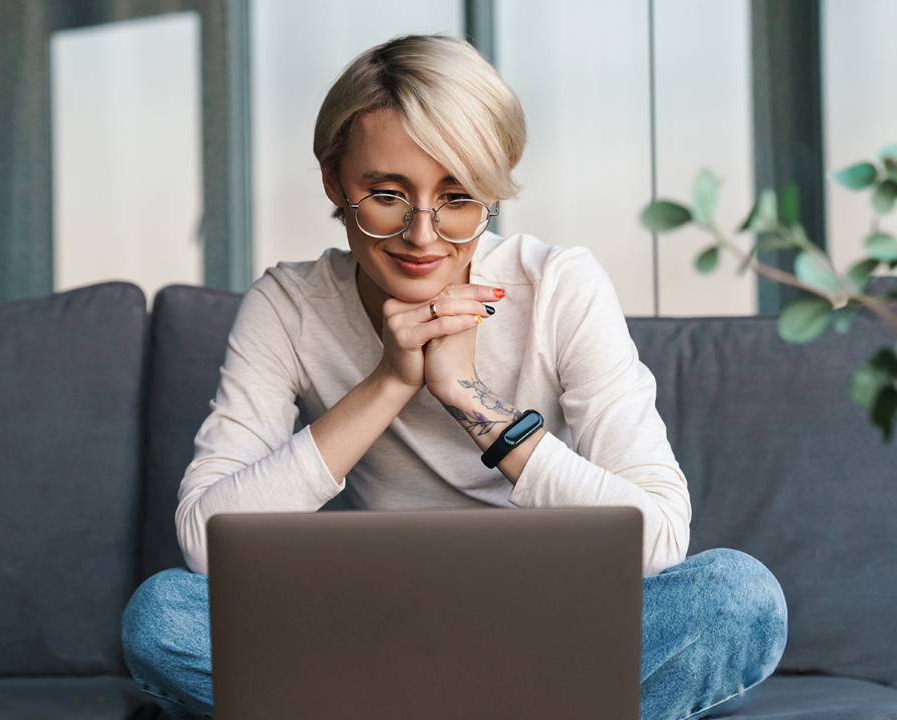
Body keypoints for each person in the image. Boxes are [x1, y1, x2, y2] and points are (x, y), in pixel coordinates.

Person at [121, 34, 787, 720]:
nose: (423, 235)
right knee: (162, 616)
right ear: (332, 182)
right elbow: (205, 544)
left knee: (737, 597)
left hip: (552, 628)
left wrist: (471, 401)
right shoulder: (288, 307)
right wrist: (387, 382)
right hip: (374, 633)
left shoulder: (557, 285)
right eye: (385, 194)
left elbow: (659, 539)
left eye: (458, 196)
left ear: (493, 190)